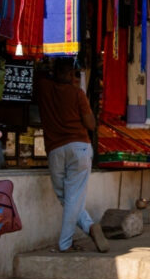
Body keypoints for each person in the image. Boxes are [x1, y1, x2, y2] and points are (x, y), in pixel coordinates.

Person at [35, 58, 110, 253]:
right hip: (79, 147)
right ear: (70, 75)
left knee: (66, 197)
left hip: (55, 150)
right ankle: (66, 242)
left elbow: (38, 77)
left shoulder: (43, 88)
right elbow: (90, 124)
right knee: (73, 198)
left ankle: (89, 227)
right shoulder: (77, 94)